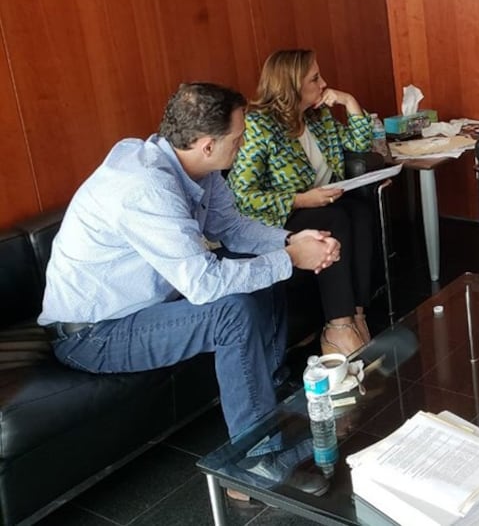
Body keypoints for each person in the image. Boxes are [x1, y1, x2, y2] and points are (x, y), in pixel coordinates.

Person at [40, 82, 340, 454]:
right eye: (238, 138)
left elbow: (231, 228)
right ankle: (259, 458)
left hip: (143, 308)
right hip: (93, 333)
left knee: (257, 269)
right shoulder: (146, 188)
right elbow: (204, 285)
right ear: (207, 145)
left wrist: (289, 241)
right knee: (232, 311)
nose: (243, 143)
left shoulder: (196, 166)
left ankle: (270, 398)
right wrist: (292, 258)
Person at [228, 49, 379, 358]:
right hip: (281, 216)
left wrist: (349, 101)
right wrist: (300, 199)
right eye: (315, 79)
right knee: (335, 219)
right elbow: (242, 196)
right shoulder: (259, 126)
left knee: (360, 212)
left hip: (322, 206)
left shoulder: (318, 116)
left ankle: (357, 316)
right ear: (292, 85)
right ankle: (338, 327)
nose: (323, 84)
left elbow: (359, 143)